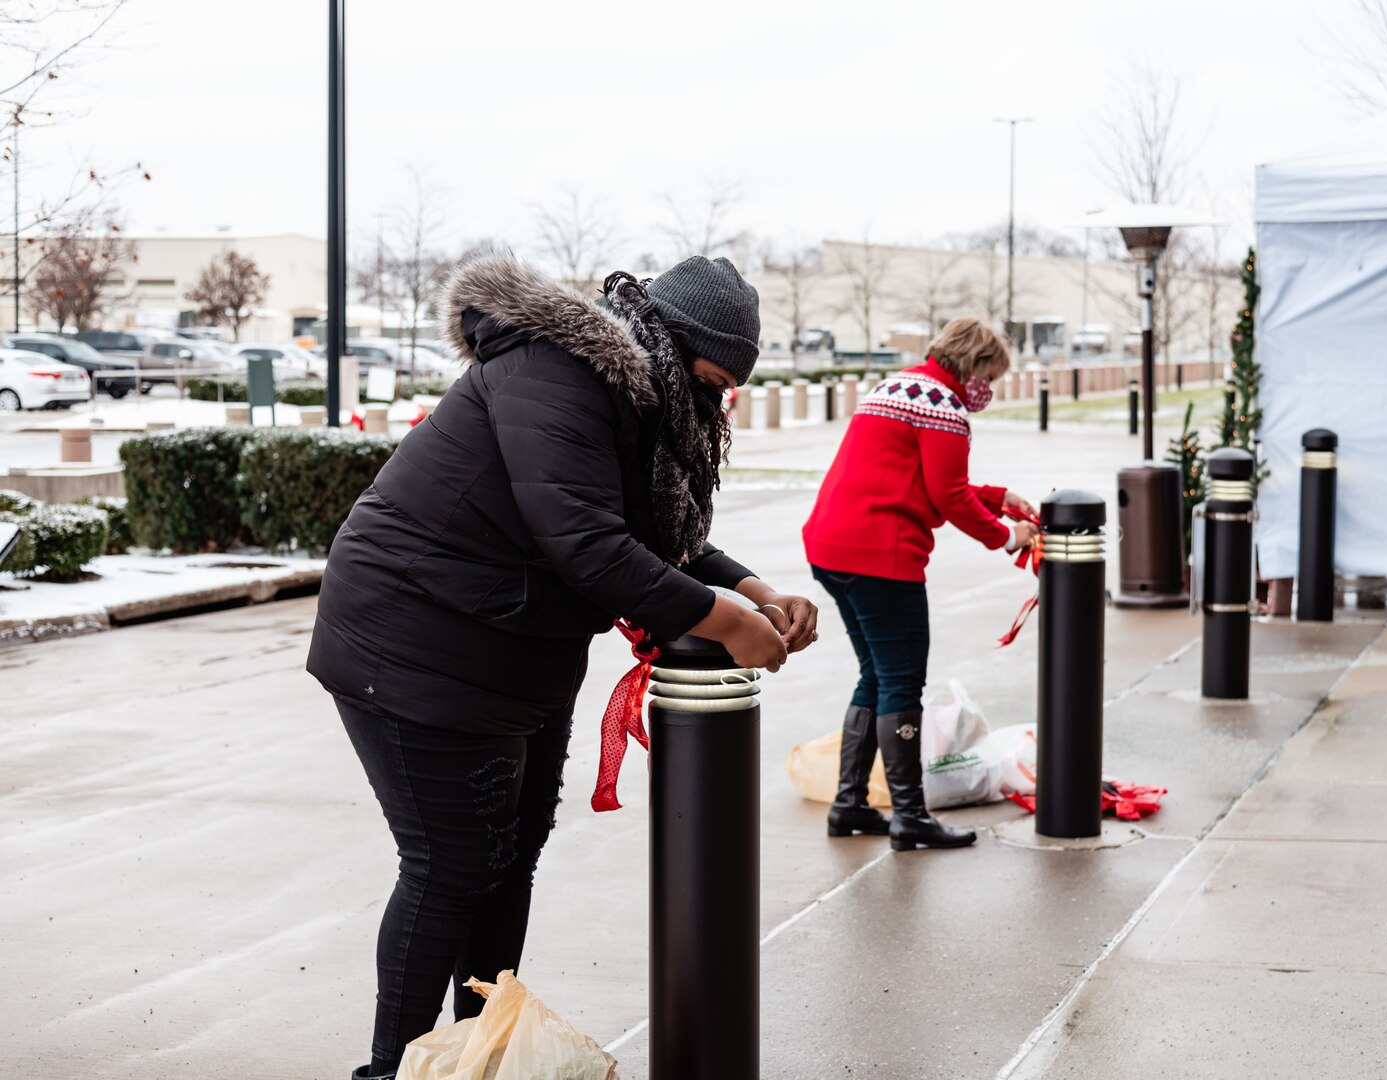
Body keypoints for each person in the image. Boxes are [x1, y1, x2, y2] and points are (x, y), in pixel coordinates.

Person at [307, 252, 819, 1080]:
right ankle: (389, 1073)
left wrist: (754, 588)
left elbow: (659, 531)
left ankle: (478, 1053)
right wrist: (723, 618)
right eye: (712, 379)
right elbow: (585, 542)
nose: (715, 403)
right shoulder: (562, 372)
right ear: (666, 339)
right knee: (451, 862)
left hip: (513, 648)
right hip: (410, 637)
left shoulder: (641, 396)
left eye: (729, 388)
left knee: (512, 851)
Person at [801, 317, 1036, 852]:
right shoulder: (943, 406)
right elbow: (949, 495)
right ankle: (910, 816)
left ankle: (850, 804)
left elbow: (917, 474)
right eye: (990, 375)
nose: (989, 389)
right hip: (881, 558)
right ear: (973, 363)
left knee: (875, 677)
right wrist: (1008, 537)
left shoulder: (899, 387)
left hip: (831, 547)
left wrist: (998, 496)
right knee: (902, 683)